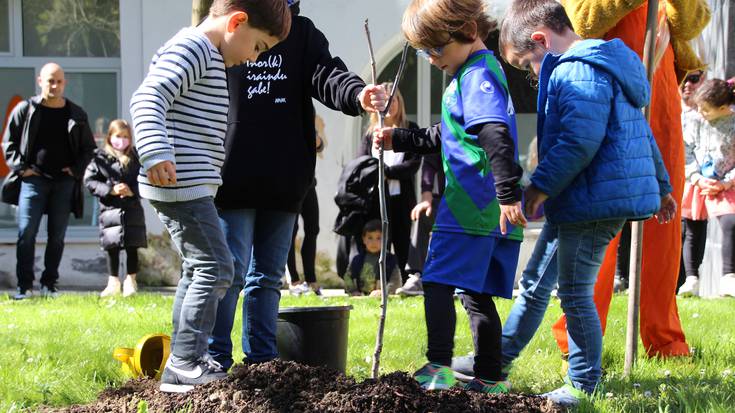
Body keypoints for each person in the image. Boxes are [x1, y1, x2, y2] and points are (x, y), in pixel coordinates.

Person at [497, 0, 676, 405]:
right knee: (535, 283)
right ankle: (497, 362)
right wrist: (662, 186)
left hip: (593, 201)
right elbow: (640, 133)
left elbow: (579, 140)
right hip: (582, 199)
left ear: (541, 39)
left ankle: (582, 384)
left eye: (528, 63)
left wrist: (538, 187)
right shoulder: (606, 66)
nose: (533, 73)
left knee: (575, 292)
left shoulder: (577, 70)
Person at [208, 0, 387, 372]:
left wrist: (357, 95)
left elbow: (328, 75)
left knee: (268, 276)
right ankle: (215, 360)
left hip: (285, 177)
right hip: (233, 174)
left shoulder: (302, 34)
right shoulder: (233, 30)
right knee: (231, 271)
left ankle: (261, 361)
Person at [130, 0, 291, 393]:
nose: (254, 59)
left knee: (202, 267)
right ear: (237, 22)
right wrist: (155, 151)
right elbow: (148, 98)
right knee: (218, 267)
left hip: (188, 183)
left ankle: (185, 359)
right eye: (257, 47)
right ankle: (185, 362)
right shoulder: (195, 48)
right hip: (177, 180)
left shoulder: (208, 55)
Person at [376, 0, 526, 393]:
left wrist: (507, 192)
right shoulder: (473, 75)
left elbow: (495, 133)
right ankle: (490, 378)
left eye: (436, 49)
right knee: (475, 295)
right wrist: (400, 137)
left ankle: (438, 367)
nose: (430, 59)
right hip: (487, 209)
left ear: (469, 31)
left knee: (437, 281)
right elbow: (447, 134)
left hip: (470, 206)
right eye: (424, 52)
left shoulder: (477, 77)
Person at [550, 0, 711, 361]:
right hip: (605, 100)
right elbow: (580, 21)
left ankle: (665, 340)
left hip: (663, 95)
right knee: (599, 223)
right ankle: (578, 338)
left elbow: (693, 22)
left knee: (664, 229)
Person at [1, 62, 96, 300]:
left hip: (63, 183)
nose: (54, 85)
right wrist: (22, 169)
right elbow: (8, 143)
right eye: (50, 80)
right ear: (40, 81)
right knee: (26, 233)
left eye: (59, 81)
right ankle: (25, 288)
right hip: (33, 182)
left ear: (65, 83)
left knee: (57, 236)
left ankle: (49, 285)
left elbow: (88, 149)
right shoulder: (25, 109)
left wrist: (75, 171)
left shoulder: (76, 113)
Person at [358, 83, 420, 284]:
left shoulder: (410, 129)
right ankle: (375, 285)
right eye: (385, 100)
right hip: (377, 200)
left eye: (394, 100)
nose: (390, 105)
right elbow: (361, 164)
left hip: (402, 200)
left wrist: (387, 173)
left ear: (400, 103)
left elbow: (413, 164)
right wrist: (379, 175)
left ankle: (404, 283)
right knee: (379, 245)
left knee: (403, 244)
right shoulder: (370, 134)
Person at [680, 79, 735, 296]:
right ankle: (691, 278)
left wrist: (727, 181)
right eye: (699, 107)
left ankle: (728, 277)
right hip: (699, 182)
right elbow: (685, 149)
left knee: (730, 222)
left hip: (726, 183)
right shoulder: (693, 120)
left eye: (707, 110)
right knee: (693, 228)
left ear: (723, 108)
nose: (701, 113)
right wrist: (695, 176)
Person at [83, 120, 147, 297]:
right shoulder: (100, 158)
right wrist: (110, 190)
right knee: (112, 247)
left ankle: (131, 280)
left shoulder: (136, 158)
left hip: (132, 209)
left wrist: (132, 191)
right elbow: (90, 181)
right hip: (110, 210)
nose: (122, 140)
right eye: (118, 136)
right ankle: (113, 282)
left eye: (126, 137)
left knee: (132, 246)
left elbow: (145, 180)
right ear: (110, 137)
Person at [287, 117, 326, 296]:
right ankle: (294, 280)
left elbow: (319, 145)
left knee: (313, 230)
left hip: (309, 183)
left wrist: (318, 142)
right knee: (290, 231)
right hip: (290, 183)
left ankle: (311, 279)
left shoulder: (308, 109)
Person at [396, 152, 444, 296]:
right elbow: (430, 162)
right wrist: (426, 194)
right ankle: (416, 276)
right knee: (423, 213)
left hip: (475, 202)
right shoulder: (444, 131)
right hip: (446, 199)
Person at [678, 69, 709, 296]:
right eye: (683, 78)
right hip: (676, 179)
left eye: (694, 78)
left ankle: (690, 279)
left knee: (694, 228)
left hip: (698, 181)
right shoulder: (672, 110)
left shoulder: (708, 115)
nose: (687, 84)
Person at [344, 219, 402, 296]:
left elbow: (395, 280)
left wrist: (384, 292)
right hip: (360, 295)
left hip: (380, 295)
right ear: (364, 239)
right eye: (370, 238)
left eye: (378, 238)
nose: (374, 242)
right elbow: (348, 277)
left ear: (385, 239)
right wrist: (353, 291)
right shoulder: (357, 259)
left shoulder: (390, 260)